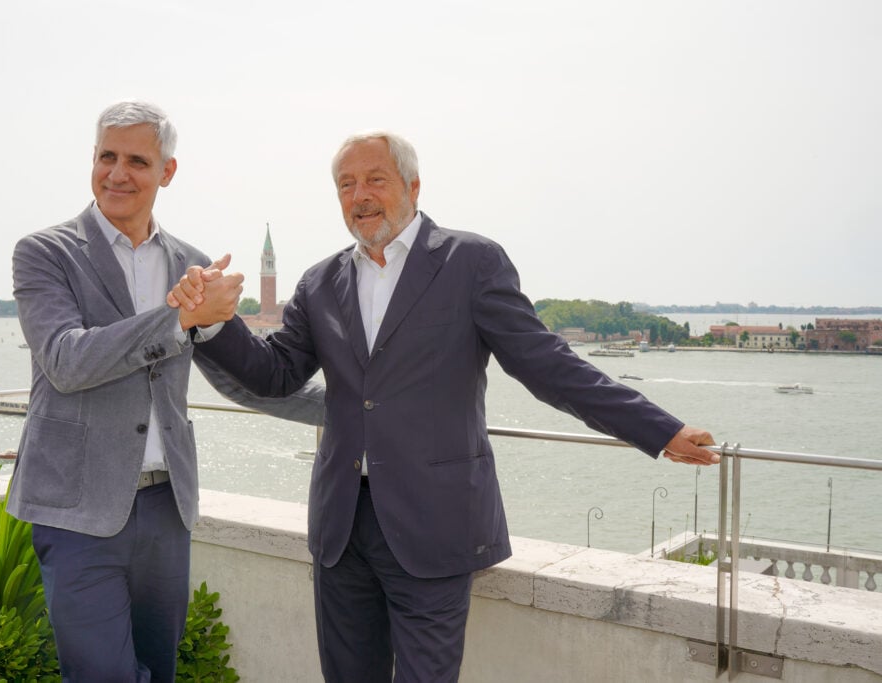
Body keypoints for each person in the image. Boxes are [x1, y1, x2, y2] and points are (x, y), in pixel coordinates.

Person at [171, 131, 719, 683]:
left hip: (435, 523)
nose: (360, 195)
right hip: (341, 527)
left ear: (413, 185)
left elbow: (547, 364)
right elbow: (274, 374)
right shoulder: (319, 282)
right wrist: (215, 321)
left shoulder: (470, 262)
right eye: (346, 184)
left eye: (374, 179)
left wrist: (657, 429)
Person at [7, 101, 324, 682]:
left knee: (159, 669)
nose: (117, 173)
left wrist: (358, 407)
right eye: (107, 156)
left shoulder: (191, 265)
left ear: (166, 172)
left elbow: (242, 379)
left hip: (165, 509)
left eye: (136, 160)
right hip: (75, 510)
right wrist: (178, 318)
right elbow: (65, 360)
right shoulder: (44, 253)